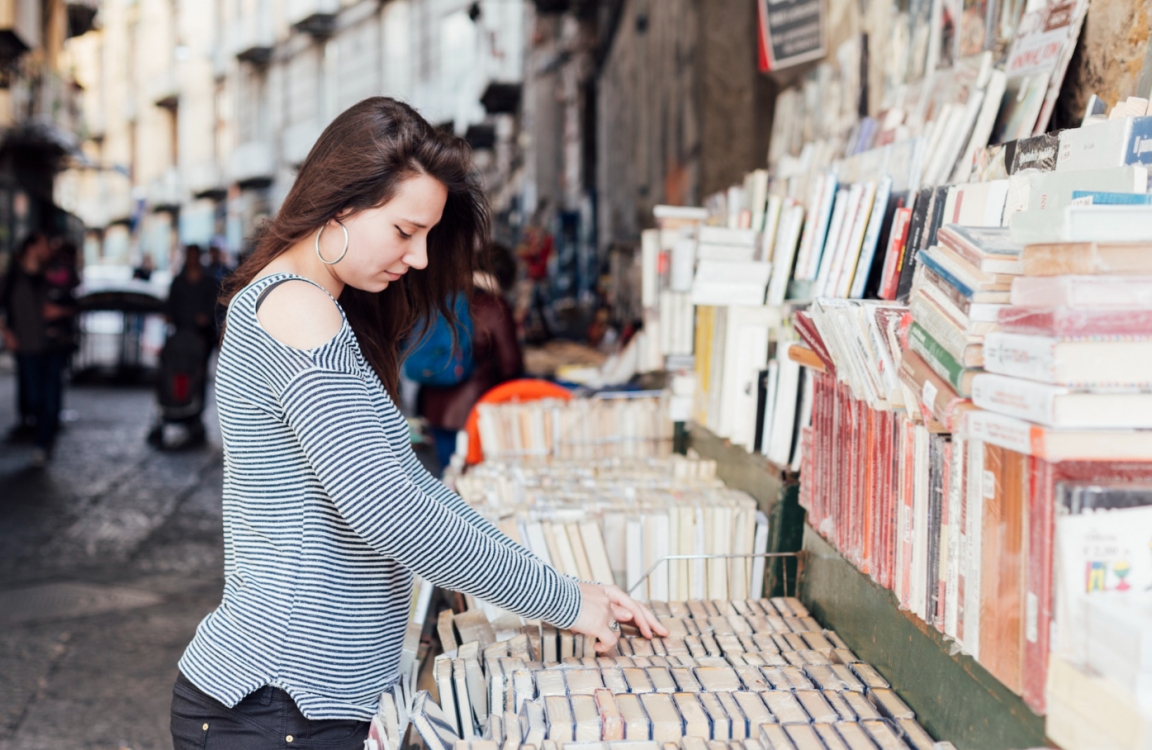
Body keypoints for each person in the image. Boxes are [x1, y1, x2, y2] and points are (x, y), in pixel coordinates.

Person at [171, 97, 666, 750]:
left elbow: (415, 487)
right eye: (406, 231)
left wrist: (568, 587)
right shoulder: (295, 308)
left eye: (428, 235)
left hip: (297, 709)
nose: (422, 257)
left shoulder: (319, 307)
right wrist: (563, 602)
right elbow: (389, 509)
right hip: (275, 705)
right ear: (342, 203)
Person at [417, 243, 524, 472]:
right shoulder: (493, 305)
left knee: (449, 477)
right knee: (472, 482)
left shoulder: (444, 293)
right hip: (472, 411)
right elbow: (510, 364)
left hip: (433, 406)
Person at [0, 232, 75, 465]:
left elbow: (74, 304)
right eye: (43, 244)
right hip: (26, 343)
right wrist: (7, 334)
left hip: (53, 343)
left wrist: (60, 311)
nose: (48, 248)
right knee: (33, 396)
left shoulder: (53, 274)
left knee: (50, 394)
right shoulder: (12, 276)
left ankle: (43, 441)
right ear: (32, 248)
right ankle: (39, 428)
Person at [153, 245, 218, 446]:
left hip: (201, 340)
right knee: (174, 375)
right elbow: (169, 306)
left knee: (197, 378)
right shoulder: (179, 281)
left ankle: (195, 414)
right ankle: (175, 409)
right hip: (181, 338)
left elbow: (215, 307)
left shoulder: (208, 281)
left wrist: (205, 318)